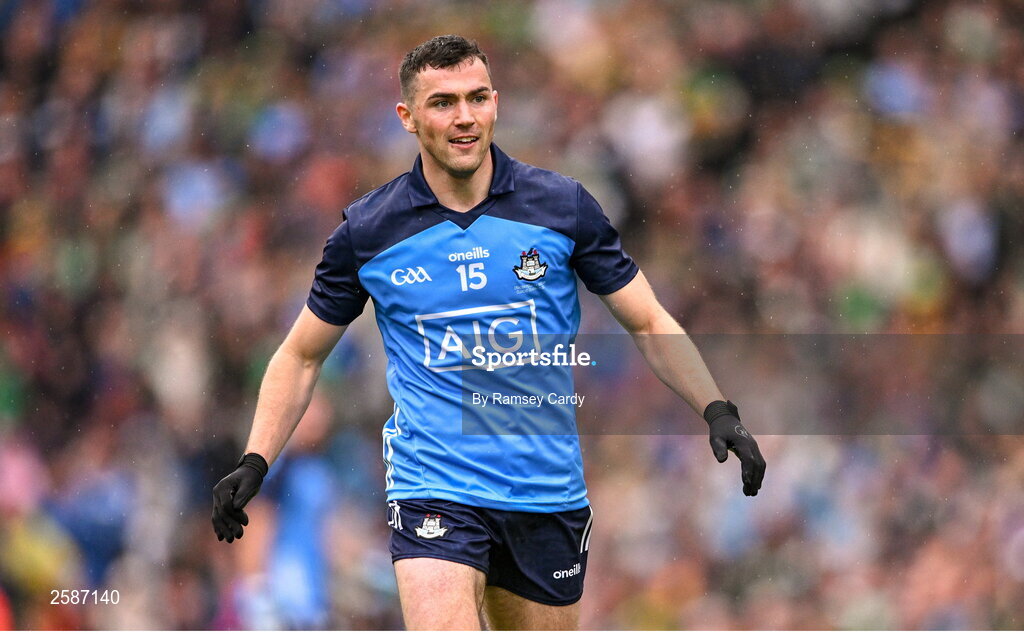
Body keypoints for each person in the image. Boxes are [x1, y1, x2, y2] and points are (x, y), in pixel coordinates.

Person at [211, 34, 766, 630]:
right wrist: (256, 459)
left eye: (477, 98)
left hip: (545, 493)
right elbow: (300, 356)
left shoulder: (562, 207)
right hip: (434, 486)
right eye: (443, 102)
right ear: (407, 117)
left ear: (496, 103)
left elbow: (649, 321)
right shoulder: (369, 231)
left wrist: (716, 408)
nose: (464, 117)